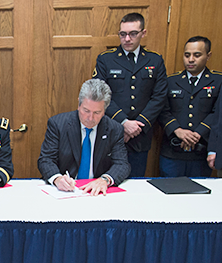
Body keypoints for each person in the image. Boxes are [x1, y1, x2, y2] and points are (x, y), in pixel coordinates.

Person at [92, 12, 167, 177]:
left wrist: (137, 125)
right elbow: (99, 93)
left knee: (135, 184)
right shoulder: (106, 59)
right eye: (123, 34)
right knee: (106, 183)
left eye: (133, 34)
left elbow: (159, 97)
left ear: (143, 33)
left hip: (140, 136)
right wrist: (124, 122)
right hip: (110, 131)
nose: (127, 39)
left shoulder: (155, 61)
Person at [38, 79, 130, 196]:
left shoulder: (114, 129)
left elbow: (122, 164)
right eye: (86, 111)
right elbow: (46, 160)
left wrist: (105, 180)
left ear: (104, 111)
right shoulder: (58, 124)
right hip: (66, 192)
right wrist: (57, 179)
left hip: (96, 192)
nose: (90, 118)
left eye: (97, 113)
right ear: (79, 104)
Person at [159, 36, 222, 177]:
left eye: (197, 55)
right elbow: (162, 110)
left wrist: (198, 133)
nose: (191, 59)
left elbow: (218, 112)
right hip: (172, 151)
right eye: (187, 55)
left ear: (208, 55)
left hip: (201, 151)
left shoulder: (218, 81)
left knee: (198, 195)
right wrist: (178, 130)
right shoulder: (171, 81)